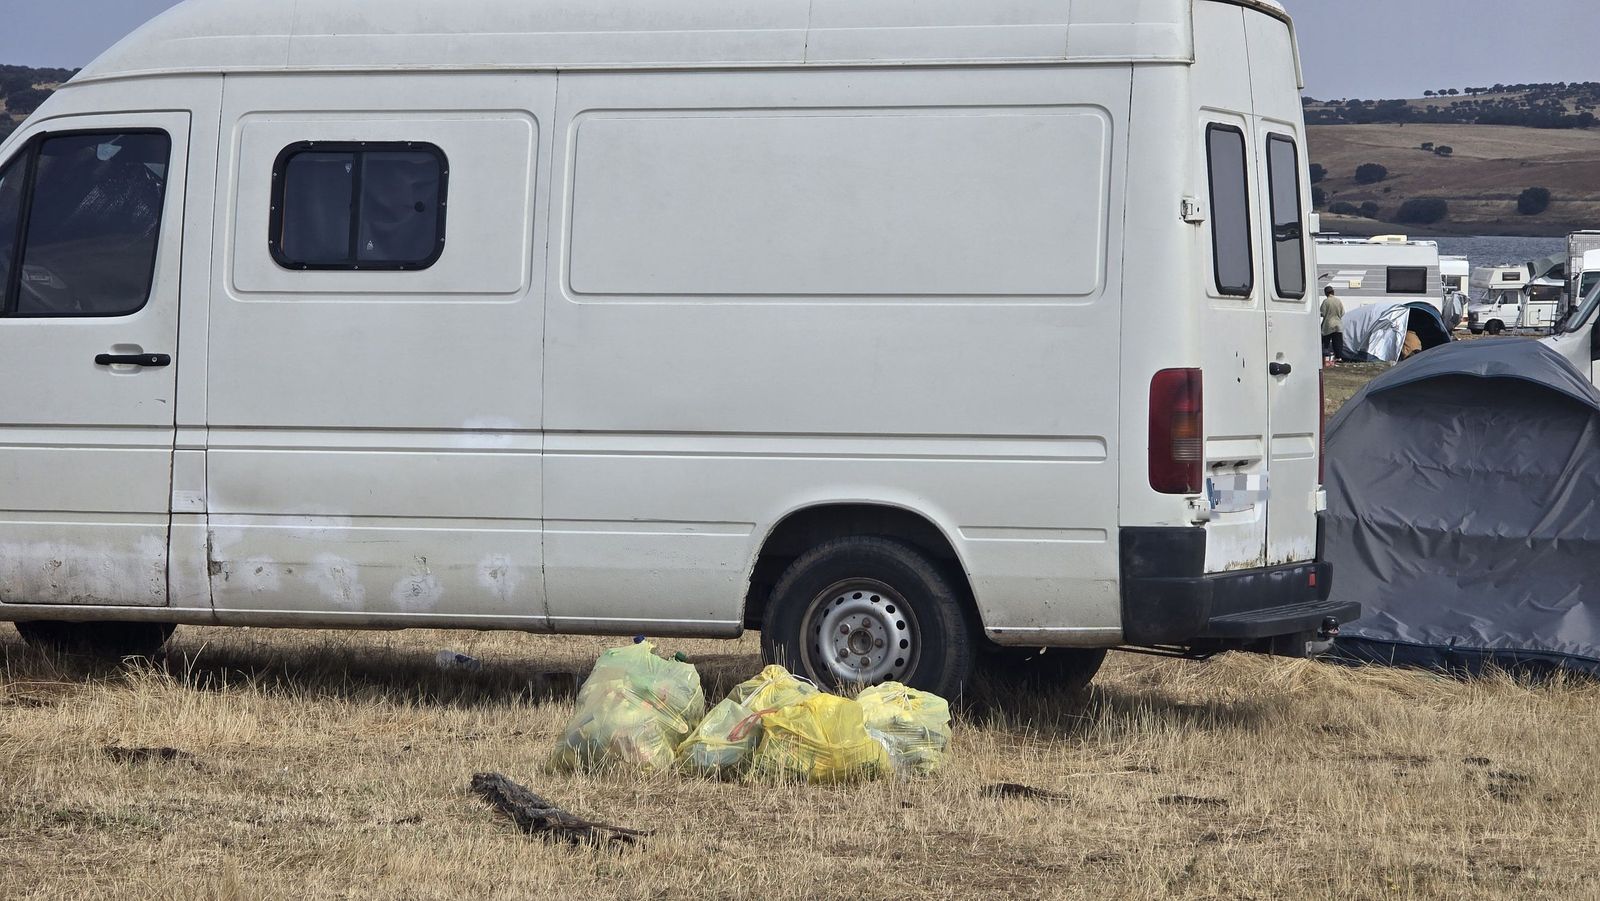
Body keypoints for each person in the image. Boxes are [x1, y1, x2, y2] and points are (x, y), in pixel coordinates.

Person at [1321, 286, 1346, 363]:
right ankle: (1338, 358)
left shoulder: (1326, 301)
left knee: (1326, 343)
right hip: (1338, 325)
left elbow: (1322, 313)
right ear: (1333, 292)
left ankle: (1325, 357)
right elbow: (1343, 313)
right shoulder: (1338, 301)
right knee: (1338, 343)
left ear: (1326, 293)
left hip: (1328, 325)